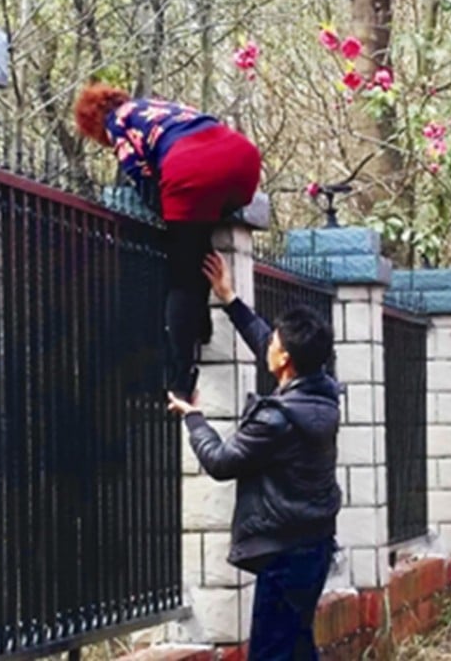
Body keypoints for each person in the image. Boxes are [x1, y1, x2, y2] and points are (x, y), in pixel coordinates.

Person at [167, 252, 340, 660]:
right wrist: (229, 299)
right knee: (295, 646)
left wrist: (194, 419)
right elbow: (265, 340)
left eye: (277, 343)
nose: (270, 344)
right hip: (313, 543)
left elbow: (222, 463)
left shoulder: (277, 419)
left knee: (270, 653)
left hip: (284, 554)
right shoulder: (322, 392)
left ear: (285, 360)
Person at [74, 83, 262, 398]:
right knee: (195, 237)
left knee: (181, 277)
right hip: (243, 163)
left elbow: (142, 176)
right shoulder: (158, 108)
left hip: (193, 170)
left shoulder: (117, 124)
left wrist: (155, 210)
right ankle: (200, 324)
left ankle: (180, 378)